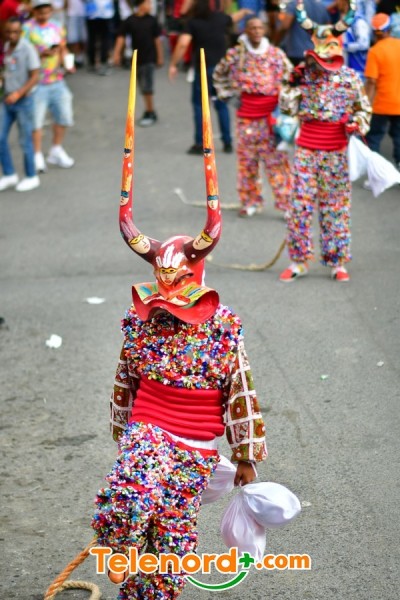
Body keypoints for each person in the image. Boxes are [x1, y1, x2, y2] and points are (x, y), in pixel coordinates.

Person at [91, 51, 267, 599]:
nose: (169, 288)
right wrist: (124, 435)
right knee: (128, 501)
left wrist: (245, 457)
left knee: (171, 530)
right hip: (149, 428)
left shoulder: (223, 324)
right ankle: (121, 549)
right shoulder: (140, 319)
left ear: (196, 275)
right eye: (162, 277)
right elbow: (125, 377)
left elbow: (240, 389)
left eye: (179, 277)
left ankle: (150, 594)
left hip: (195, 441)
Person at [278, 0, 371, 283]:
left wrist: (357, 123)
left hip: (336, 152)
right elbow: (286, 110)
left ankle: (337, 261)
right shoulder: (304, 76)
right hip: (306, 150)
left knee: (335, 207)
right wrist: (291, 84)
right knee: (299, 206)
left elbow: (364, 109)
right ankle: (299, 261)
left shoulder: (350, 78)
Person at [213, 16, 293, 217]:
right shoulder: (235, 55)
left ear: (264, 30)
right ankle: (250, 201)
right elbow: (218, 74)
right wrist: (229, 96)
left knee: (277, 162)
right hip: (246, 118)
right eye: (252, 28)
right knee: (247, 162)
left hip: (271, 119)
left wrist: (285, 106)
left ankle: (286, 205)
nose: (256, 31)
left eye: (259, 27)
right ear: (246, 31)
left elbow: (291, 79)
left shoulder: (276, 54)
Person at [168, 0, 253, 155]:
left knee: (200, 106)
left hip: (203, 68)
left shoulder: (192, 22)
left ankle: (200, 143)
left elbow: (182, 44)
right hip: (220, 69)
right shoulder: (220, 18)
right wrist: (245, 12)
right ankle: (227, 142)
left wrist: (173, 64)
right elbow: (233, 17)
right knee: (221, 105)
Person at [23, 0, 75, 171]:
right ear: (34, 11)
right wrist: (40, 54)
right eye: (40, 12)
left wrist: (68, 63)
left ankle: (56, 149)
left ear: (51, 11)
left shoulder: (57, 27)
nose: (43, 15)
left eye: (46, 12)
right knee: (36, 121)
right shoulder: (27, 29)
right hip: (36, 82)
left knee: (64, 116)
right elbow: (23, 54)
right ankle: (37, 155)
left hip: (57, 79)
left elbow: (63, 48)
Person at [0, 17, 40, 191]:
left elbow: (35, 76)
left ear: (21, 32)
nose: (12, 35)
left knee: (25, 141)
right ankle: (9, 174)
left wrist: (18, 93)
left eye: (15, 32)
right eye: (8, 32)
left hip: (23, 101)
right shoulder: (6, 47)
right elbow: (8, 70)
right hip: (7, 99)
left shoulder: (28, 49)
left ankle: (31, 176)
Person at [113, 0, 163, 127]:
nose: (150, 6)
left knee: (147, 87)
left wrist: (160, 57)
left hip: (149, 59)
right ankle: (148, 110)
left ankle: (150, 112)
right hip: (137, 59)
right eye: (147, 3)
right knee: (141, 86)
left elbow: (157, 40)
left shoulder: (152, 20)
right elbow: (121, 37)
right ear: (140, 5)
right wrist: (117, 53)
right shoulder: (130, 20)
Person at [364, 13, 400, 172]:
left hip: (381, 105)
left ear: (374, 33)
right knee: (399, 137)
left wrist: (365, 104)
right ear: (390, 29)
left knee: (374, 138)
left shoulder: (375, 51)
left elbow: (371, 82)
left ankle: (375, 173)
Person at [273, 0, 330, 66]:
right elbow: (327, 30)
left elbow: (285, 27)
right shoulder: (322, 7)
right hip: (316, 54)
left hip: (295, 53)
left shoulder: (294, 4)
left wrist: (275, 44)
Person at [336, 0, 370, 80]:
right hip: (346, 69)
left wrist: (345, 46)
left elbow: (364, 44)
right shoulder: (344, 19)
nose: (337, 3)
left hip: (358, 70)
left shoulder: (358, 21)